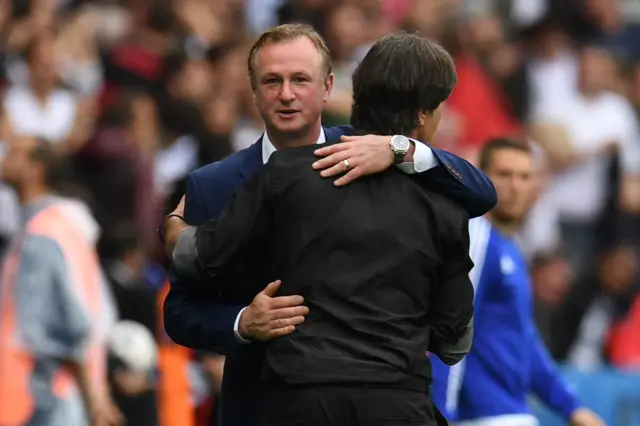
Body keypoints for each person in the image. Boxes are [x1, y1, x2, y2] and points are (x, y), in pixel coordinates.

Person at [162, 24, 496, 426]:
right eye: (272, 80)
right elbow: (180, 311)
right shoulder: (211, 184)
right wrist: (242, 323)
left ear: (328, 86)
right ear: (251, 89)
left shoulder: (385, 156)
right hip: (274, 405)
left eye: (300, 79)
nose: (286, 94)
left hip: (310, 402)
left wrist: (400, 148)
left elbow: (483, 191)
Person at [430, 138, 605, 426]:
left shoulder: (510, 248)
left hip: (508, 410)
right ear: (481, 179)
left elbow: (524, 339)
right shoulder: (476, 238)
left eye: (524, 177)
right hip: (481, 414)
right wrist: (441, 417)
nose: (515, 186)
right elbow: (449, 331)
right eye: (504, 174)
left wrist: (572, 408)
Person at [0, 137, 121, 426]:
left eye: (15, 153)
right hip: (53, 395)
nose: (4, 157)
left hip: (41, 398)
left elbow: (68, 324)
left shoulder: (41, 234)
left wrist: (95, 396)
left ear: (35, 169)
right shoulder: (59, 226)